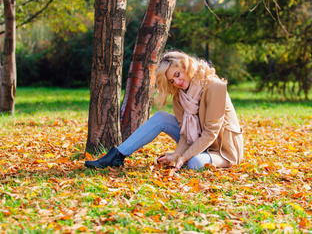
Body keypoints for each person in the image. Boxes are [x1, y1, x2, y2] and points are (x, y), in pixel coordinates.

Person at [84, 51, 243, 171]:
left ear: (186, 66)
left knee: (194, 164)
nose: (177, 82)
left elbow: (210, 133)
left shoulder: (215, 87)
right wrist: (177, 154)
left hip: (222, 149)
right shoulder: (179, 96)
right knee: (161, 117)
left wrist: (183, 156)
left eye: (177, 74)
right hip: (198, 141)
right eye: (172, 81)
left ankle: (192, 158)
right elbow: (185, 134)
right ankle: (117, 155)